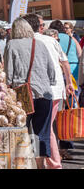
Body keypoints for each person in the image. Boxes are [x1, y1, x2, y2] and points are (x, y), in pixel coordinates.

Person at [22, 14, 74, 169]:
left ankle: (53, 163)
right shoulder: (51, 40)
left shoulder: (25, 42)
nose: (44, 27)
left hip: (37, 90)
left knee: (44, 129)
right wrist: (69, 83)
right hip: (56, 89)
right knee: (46, 128)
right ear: (39, 27)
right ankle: (47, 162)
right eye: (42, 24)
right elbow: (65, 63)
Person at [4, 17, 55, 169]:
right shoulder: (39, 44)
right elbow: (51, 72)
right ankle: (41, 165)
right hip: (44, 94)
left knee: (20, 131)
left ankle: (21, 164)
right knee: (42, 132)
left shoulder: (11, 44)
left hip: (22, 95)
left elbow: (8, 73)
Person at [49, 19, 81, 160]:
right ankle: (66, 147)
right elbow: (79, 53)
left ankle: (58, 149)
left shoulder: (51, 40)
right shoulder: (71, 38)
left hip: (59, 76)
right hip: (73, 75)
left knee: (58, 114)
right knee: (69, 110)